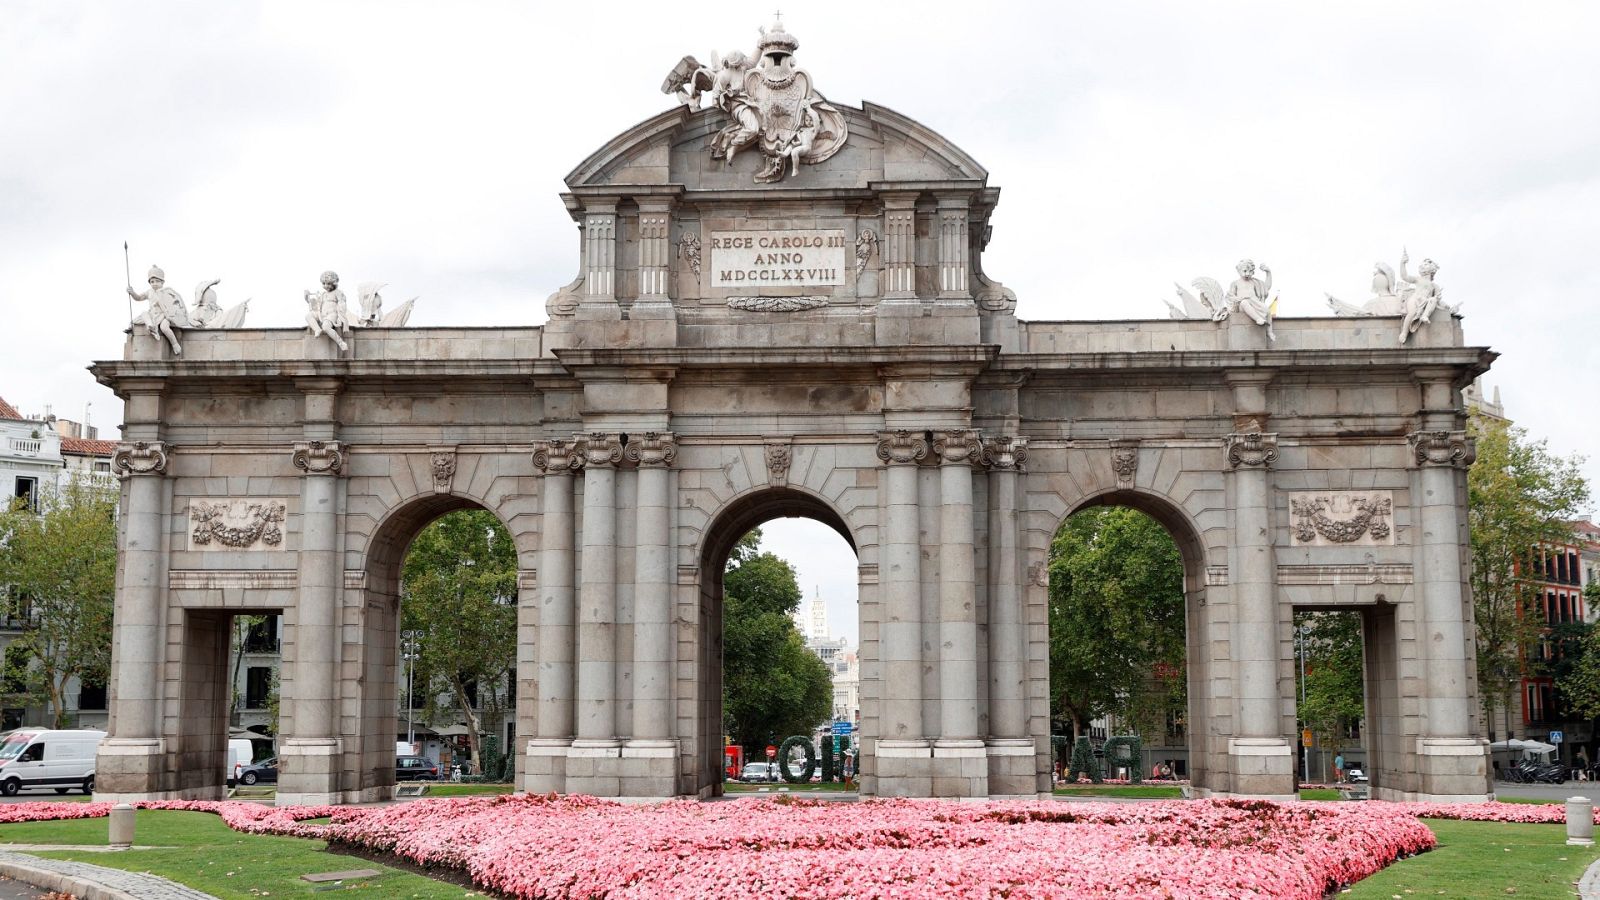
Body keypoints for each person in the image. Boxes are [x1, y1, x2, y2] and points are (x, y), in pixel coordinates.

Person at [129, 265, 189, 354]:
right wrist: (132, 293)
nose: (154, 283)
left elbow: (174, 304)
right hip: (153, 314)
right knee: (144, 313)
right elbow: (138, 298)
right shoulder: (149, 292)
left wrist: (170, 315)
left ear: (162, 282)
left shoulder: (166, 292)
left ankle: (175, 344)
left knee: (164, 327)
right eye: (152, 282)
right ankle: (151, 326)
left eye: (157, 281)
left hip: (165, 315)